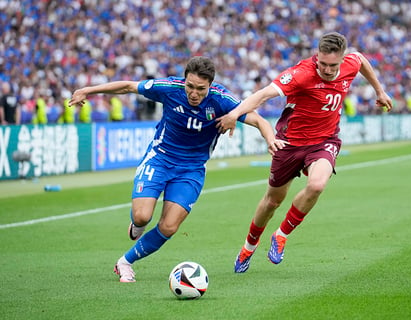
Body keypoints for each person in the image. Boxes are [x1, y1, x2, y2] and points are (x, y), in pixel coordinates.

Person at [69, 56, 286, 282]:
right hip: (160, 159)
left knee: (170, 227)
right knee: (143, 216)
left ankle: (124, 262)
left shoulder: (222, 100)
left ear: (210, 85)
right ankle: (137, 223)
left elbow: (260, 121)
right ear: (184, 81)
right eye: (190, 86)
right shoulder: (169, 88)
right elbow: (128, 86)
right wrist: (88, 90)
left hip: (191, 170)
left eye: (200, 89)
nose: (193, 93)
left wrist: (271, 140)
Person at [216, 32, 393, 273]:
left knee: (317, 185)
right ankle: (249, 246)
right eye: (323, 64)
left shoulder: (349, 64)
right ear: (316, 57)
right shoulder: (300, 74)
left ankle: (281, 235)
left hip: (324, 141)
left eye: (334, 65)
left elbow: (360, 59)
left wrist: (379, 91)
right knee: (272, 201)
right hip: (289, 144)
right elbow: (263, 95)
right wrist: (235, 114)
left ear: (342, 60)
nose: (329, 70)